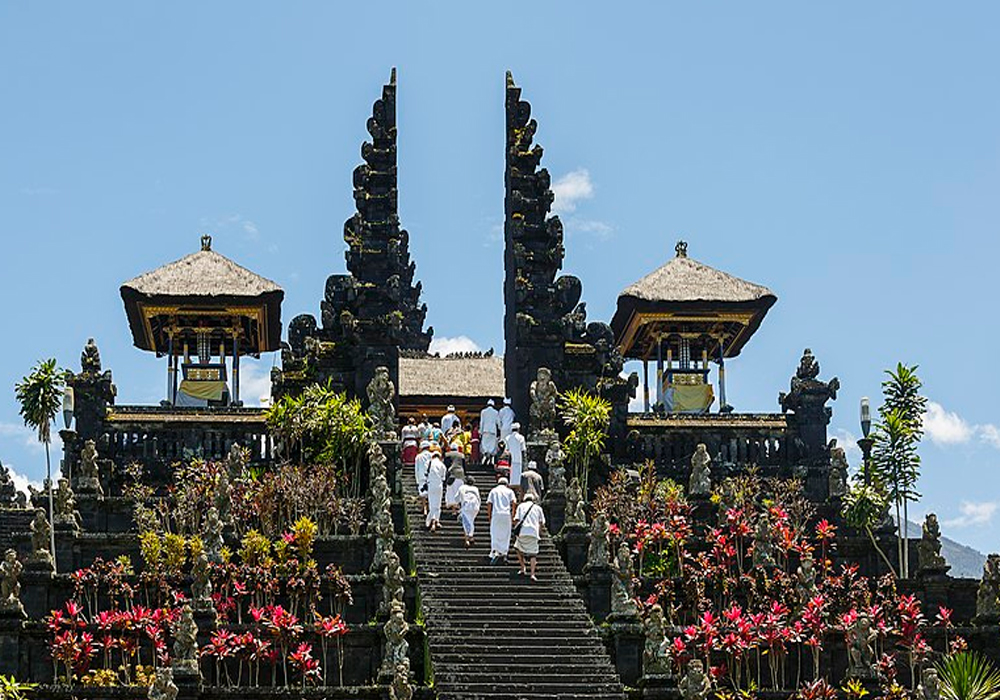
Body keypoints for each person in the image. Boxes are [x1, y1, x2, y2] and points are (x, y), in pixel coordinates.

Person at [513, 493, 546, 582]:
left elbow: (516, 520)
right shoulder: (538, 508)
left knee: (517, 547)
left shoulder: (521, 506)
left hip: (523, 531)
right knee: (533, 554)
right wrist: (539, 533)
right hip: (533, 532)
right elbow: (541, 523)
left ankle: (523, 567)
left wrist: (516, 532)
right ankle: (532, 574)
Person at [486, 477, 516, 564]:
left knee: (494, 532)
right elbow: (514, 502)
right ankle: (504, 553)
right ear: (506, 484)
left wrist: (489, 515)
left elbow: (489, 503)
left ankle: (495, 551)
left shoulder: (493, 491)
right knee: (506, 533)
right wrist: (513, 514)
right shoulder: (510, 491)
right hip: (506, 514)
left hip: (496, 513)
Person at [425, 448, 447, 532]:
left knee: (432, 503)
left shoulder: (429, 463)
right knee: (438, 504)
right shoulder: (442, 465)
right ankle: (436, 521)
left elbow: (425, 474)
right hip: (439, 485)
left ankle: (432, 522)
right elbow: (443, 478)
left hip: (431, 484)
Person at [457, 476, 481, 548]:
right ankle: (471, 536)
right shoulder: (475, 488)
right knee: (470, 521)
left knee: (466, 522)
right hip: (475, 507)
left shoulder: (462, 487)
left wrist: (457, 504)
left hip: (466, 506)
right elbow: (479, 498)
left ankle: (467, 539)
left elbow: (456, 498)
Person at [507, 423, 526, 497]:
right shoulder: (521, 438)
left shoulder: (507, 437)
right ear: (518, 429)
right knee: (518, 478)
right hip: (518, 460)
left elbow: (507, 449)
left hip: (510, 460)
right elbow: (523, 449)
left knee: (511, 478)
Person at [479, 399, 500, 466]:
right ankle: (491, 460)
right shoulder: (496, 412)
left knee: (485, 445)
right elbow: (498, 422)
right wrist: (499, 428)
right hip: (493, 431)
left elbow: (482, 422)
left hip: (485, 430)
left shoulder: (483, 412)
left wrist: (480, 431)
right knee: (492, 446)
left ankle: (485, 457)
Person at [414, 441, 432, 515]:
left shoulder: (418, 456)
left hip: (421, 476)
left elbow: (416, 468)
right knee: (430, 493)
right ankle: (429, 508)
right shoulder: (432, 455)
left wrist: (417, 479)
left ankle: (424, 508)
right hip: (431, 477)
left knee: (423, 493)